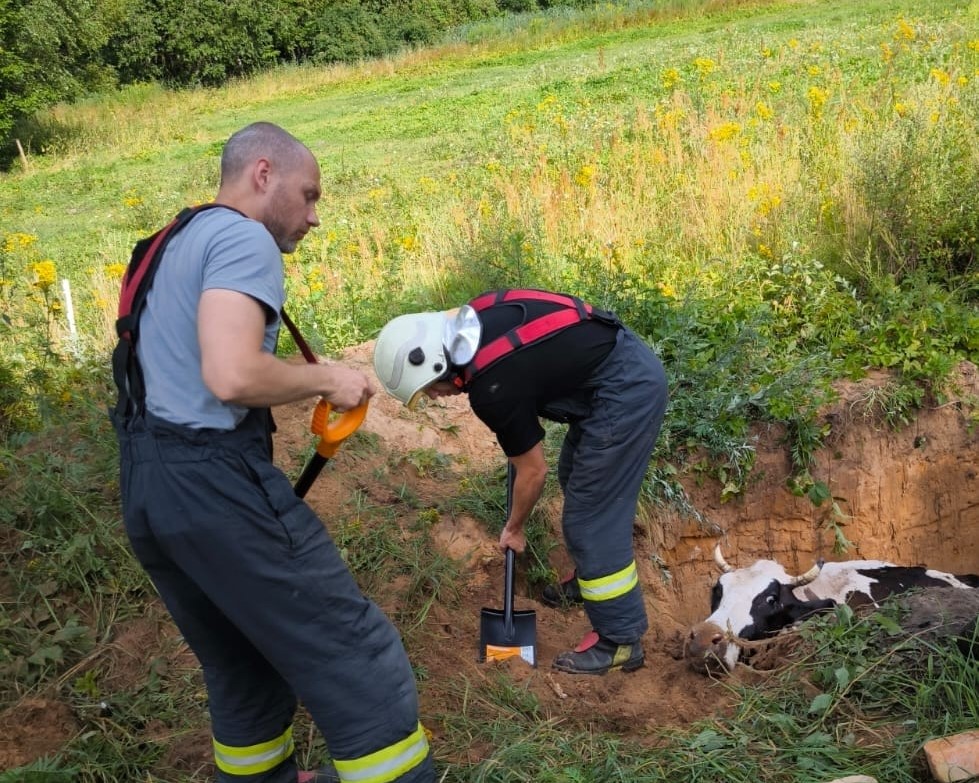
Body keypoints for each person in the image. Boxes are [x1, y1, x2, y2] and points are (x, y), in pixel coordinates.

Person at [110, 122, 434, 783]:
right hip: (212, 482)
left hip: (149, 490)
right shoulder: (242, 237)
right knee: (354, 650)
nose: (314, 216)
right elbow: (231, 375)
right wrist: (328, 378)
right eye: (309, 194)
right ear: (263, 174)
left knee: (241, 662)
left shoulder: (172, 241)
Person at [372, 289, 668, 675]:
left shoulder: (491, 388)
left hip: (626, 391)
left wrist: (514, 528)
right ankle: (591, 577)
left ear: (438, 364)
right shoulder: (475, 320)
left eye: (428, 389)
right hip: (613, 372)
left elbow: (532, 471)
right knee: (574, 474)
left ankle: (620, 641)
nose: (435, 397)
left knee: (590, 519)